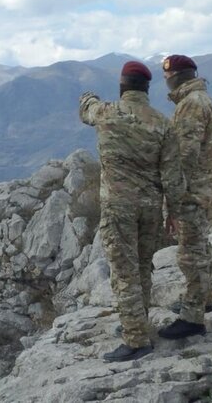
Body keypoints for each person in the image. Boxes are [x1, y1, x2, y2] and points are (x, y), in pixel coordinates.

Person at [79, 61, 184, 362]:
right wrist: (173, 212)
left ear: (123, 86)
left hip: (119, 208)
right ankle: (138, 322)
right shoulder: (162, 123)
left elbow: (86, 109)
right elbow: (172, 175)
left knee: (124, 272)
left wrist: (87, 95)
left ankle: (136, 340)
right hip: (151, 208)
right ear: (147, 88)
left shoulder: (106, 112)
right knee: (142, 267)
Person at [157, 54, 212, 340]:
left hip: (190, 192)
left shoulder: (190, 105)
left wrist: (172, 199)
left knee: (190, 255)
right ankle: (204, 300)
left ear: (177, 77)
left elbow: (184, 156)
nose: (166, 82)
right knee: (200, 247)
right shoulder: (200, 99)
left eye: (167, 77)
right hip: (202, 188)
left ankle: (192, 318)